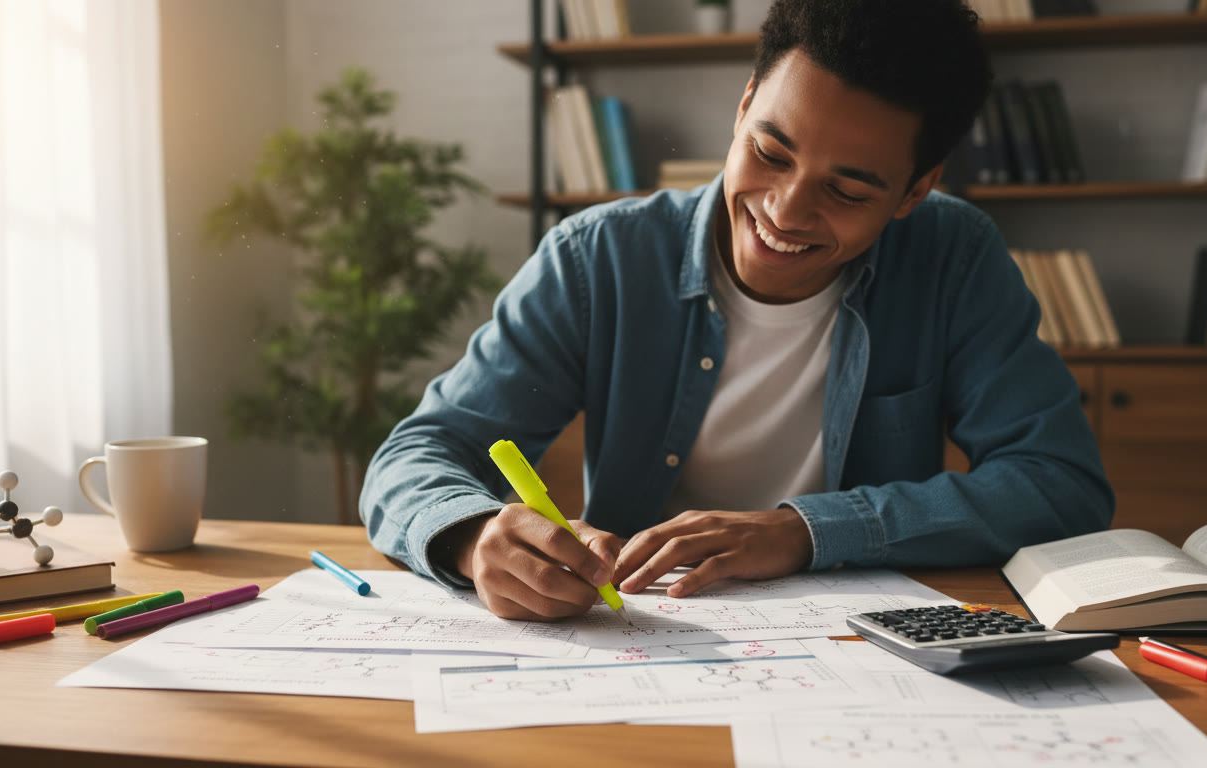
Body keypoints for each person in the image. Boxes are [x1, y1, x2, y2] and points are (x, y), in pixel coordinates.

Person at [359, 0, 1113, 621]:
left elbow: (1059, 484)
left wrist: (803, 532)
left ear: (915, 191)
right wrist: (471, 535)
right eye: (771, 152)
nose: (785, 212)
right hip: (635, 637)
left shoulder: (953, 257)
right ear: (745, 103)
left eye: (848, 192)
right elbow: (413, 457)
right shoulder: (599, 261)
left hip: (861, 651)